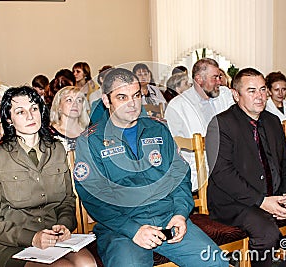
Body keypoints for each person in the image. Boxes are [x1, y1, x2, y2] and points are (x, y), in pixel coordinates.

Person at [74, 68, 227, 267]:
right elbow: (93, 196)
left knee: (216, 262)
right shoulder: (90, 141)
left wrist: (180, 214)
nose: (132, 103)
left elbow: (179, 176)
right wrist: (133, 230)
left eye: (136, 95)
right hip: (122, 228)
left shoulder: (158, 129)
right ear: (106, 101)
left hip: (168, 217)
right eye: (122, 97)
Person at [206, 67, 286, 267]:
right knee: (267, 234)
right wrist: (261, 201)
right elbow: (222, 174)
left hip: (276, 194)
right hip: (236, 203)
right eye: (251, 91)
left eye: (263, 89)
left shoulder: (272, 121)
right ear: (235, 94)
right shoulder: (221, 124)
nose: (260, 96)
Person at [0, 86, 96, 267]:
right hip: (13, 242)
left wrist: (64, 225)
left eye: (34, 108)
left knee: (87, 263)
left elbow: (67, 200)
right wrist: (31, 238)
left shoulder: (56, 149)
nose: (30, 116)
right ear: (9, 119)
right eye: (20, 111)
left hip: (53, 236)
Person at [164, 58, 234, 191]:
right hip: (198, 168)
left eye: (219, 76)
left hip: (229, 162)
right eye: (215, 77)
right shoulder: (177, 106)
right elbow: (173, 148)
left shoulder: (224, 96)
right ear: (199, 79)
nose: (219, 81)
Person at [50, 86, 89, 151]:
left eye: (79, 100)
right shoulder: (49, 135)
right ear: (59, 106)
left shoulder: (91, 133)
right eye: (69, 100)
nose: (75, 104)